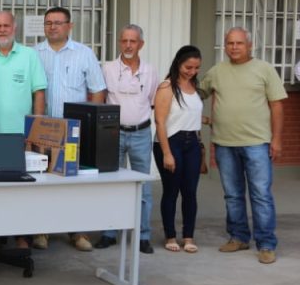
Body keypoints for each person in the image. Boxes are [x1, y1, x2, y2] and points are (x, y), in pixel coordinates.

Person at [199, 27, 287, 264]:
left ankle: (266, 244)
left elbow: (277, 106)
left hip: (257, 143)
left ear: (250, 46)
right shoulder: (216, 72)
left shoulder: (265, 69)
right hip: (224, 143)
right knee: (233, 195)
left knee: (260, 195)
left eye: (239, 43)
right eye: (230, 43)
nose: (234, 47)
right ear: (224, 46)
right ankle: (238, 237)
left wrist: (276, 139)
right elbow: (196, 93)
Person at [34, 6, 107, 252]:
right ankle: (40, 230)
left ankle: (78, 232)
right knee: (42, 182)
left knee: (74, 185)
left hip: (75, 131)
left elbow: (98, 90)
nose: (52, 27)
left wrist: (89, 124)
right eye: (48, 23)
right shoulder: (34, 53)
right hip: (43, 129)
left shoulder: (84, 54)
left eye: (58, 22)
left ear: (70, 26)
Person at [0, 10, 46, 249]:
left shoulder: (29, 56)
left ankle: (23, 238)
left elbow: (38, 93)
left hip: (21, 137)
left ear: (14, 27)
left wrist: (35, 132)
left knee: (22, 192)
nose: (2, 30)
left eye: (6, 25)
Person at [99, 24, 158, 253]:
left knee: (142, 186)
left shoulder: (150, 71)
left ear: (141, 44)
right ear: (119, 43)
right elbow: (102, 98)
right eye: (124, 41)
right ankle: (109, 232)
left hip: (142, 133)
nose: (128, 45)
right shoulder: (108, 69)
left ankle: (143, 235)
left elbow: (153, 101)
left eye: (133, 41)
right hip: (113, 133)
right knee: (112, 184)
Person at [153, 45, 204, 254]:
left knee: (190, 192)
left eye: (196, 68)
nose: (192, 71)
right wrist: (167, 153)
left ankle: (189, 236)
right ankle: (170, 235)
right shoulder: (167, 87)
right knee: (172, 191)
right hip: (170, 142)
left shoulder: (194, 85)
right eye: (188, 67)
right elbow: (160, 122)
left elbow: (189, 113)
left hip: (192, 142)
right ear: (178, 63)